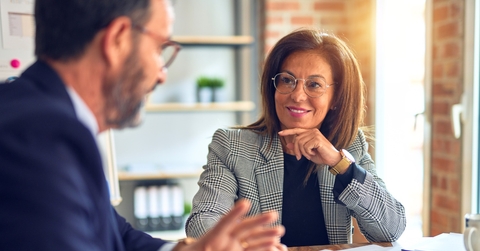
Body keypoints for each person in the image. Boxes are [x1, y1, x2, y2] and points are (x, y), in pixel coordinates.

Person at [0, 0, 287, 251]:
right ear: (118, 39)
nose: (162, 75)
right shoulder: (40, 134)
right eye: (159, 48)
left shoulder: (40, 115)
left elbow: (114, 234)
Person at [185, 29, 407, 247]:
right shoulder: (231, 146)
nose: (298, 95)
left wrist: (339, 164)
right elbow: (202, 224)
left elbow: (391, 228)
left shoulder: (350, 145)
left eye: (314, 84)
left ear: (336, 98)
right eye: (287, 80)